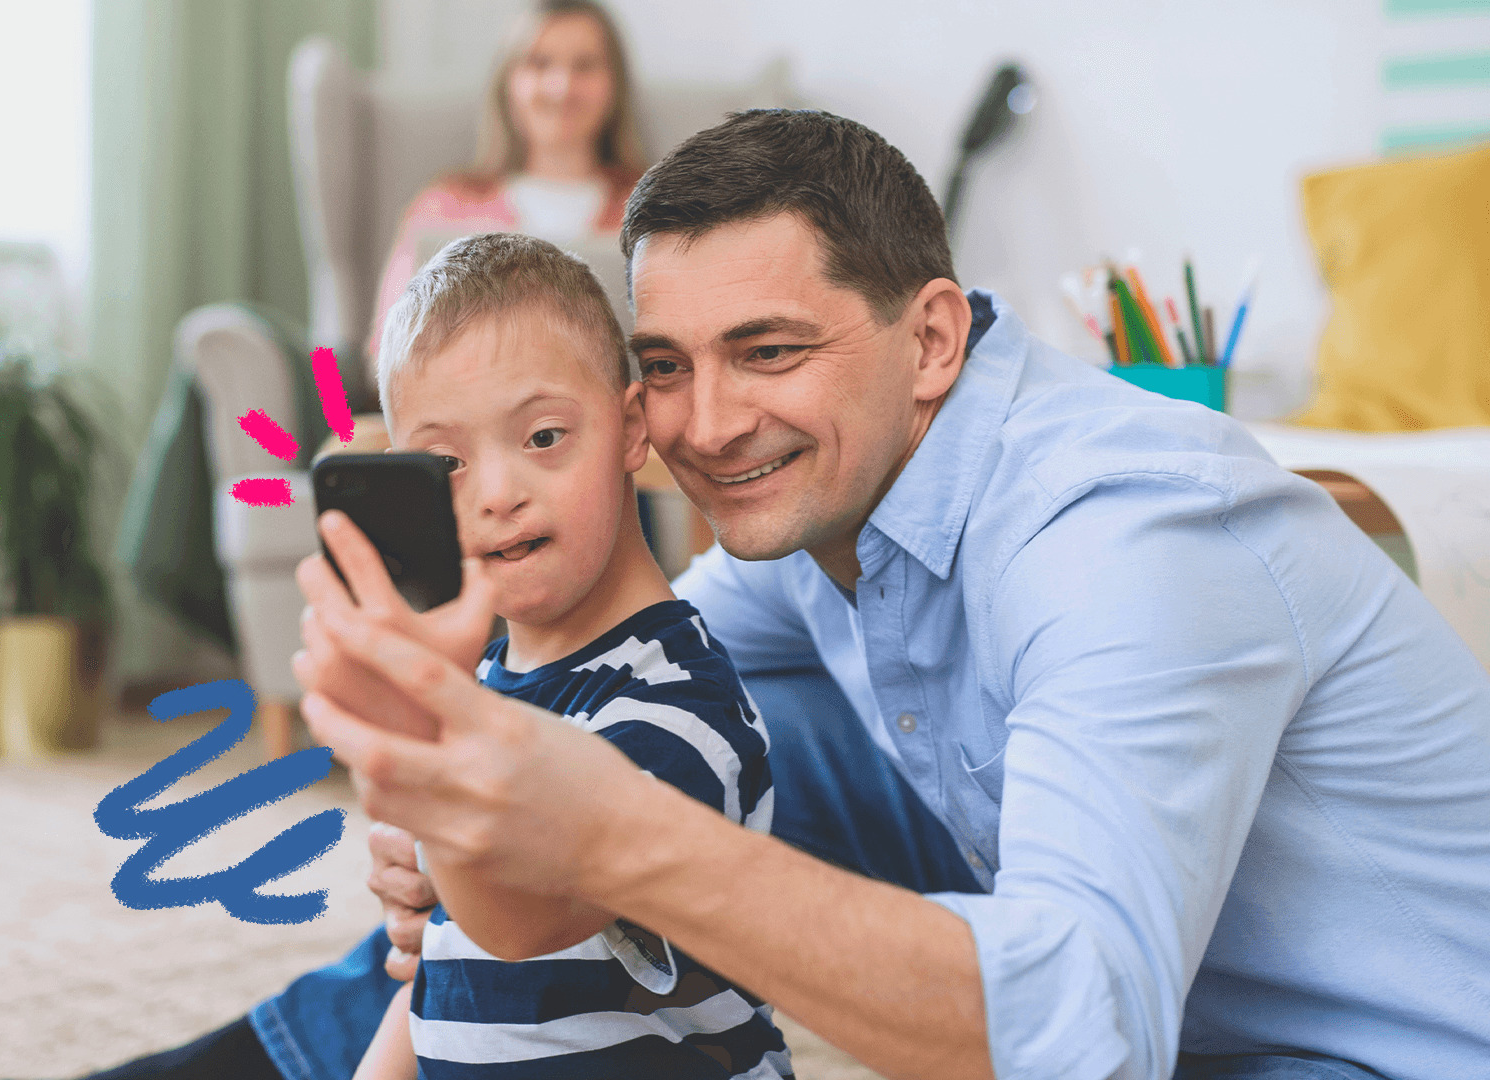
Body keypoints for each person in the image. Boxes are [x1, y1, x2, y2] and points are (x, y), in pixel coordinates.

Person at [294, 109, 1490, 1080]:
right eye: (667, 367)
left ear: (929, 341)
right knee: (623, 734)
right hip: (1179, 1000)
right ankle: (289, 1050)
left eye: (769, 352)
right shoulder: (828, 498)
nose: (707, 429)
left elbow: (1083, 1036)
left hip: (1371, 1048)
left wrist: (610, 835)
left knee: (610, 796)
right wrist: (456, 802)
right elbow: (634, 658)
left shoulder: (1124, 540)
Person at [311, 232, 787, 1079]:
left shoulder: (678, 705)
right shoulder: (487, 691)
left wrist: (427, 733)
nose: (497, 493)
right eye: (447, 462)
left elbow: (524, 921)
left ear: (631, 426)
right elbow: (438, 976)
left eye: (542, 438)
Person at [364, 0, 645, 370]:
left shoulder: (653, 206)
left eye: (585, 66)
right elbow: (383, 353)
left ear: (614, 84)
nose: (561, 87)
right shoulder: (445, 205)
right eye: (539, 63)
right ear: (508, 82)